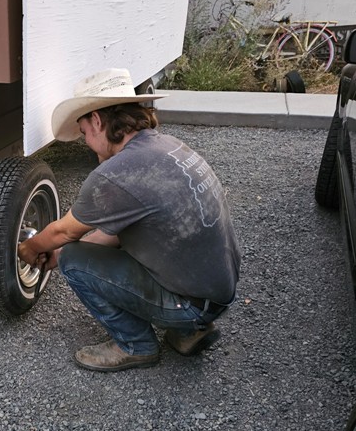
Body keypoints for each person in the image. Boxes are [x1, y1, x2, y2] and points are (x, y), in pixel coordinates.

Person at [18, 68, 240, 372]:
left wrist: (32, 249)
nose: (86, 141)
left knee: (71, 258)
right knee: (74, 253)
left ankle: (136, 345)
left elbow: (63, 232)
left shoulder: (118, 173)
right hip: (215, 294)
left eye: (83, 132)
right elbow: (121, 233)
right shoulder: (167, 147)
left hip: (190, 303)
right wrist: (61, 253)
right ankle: (191, 331)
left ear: (97, 121)